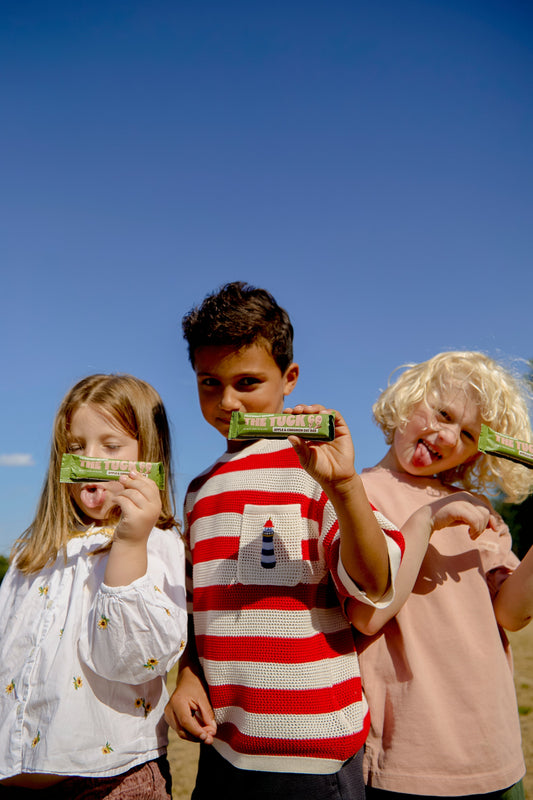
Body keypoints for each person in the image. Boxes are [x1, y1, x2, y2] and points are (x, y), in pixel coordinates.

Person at [162, 280, 408, 800]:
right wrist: (187, 677)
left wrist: (343, 488)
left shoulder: (314, 471)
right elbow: (193, 608)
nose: (227, 401)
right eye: (209, 382)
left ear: (288, 378)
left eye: (247, 381)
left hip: (313, 754)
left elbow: (374, 581)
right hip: (224, 748)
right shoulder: (197, 491)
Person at [346, 351, 533, 800]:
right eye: (443, 413)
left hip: (495, 749)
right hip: (408, 757)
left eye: (468, 434)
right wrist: (428, 519)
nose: (448, 436)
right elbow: (366, 614)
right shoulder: (356, 493)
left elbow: (510, 613)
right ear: (408, 398)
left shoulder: (478, 509)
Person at [0, 374, 188, 798]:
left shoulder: (156, 543)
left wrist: (128, 542)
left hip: (113, 780)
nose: (91, 459)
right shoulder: (34, 552)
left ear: (147, 455)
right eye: (76, 447)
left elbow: (135, 660)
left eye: (111, 446)